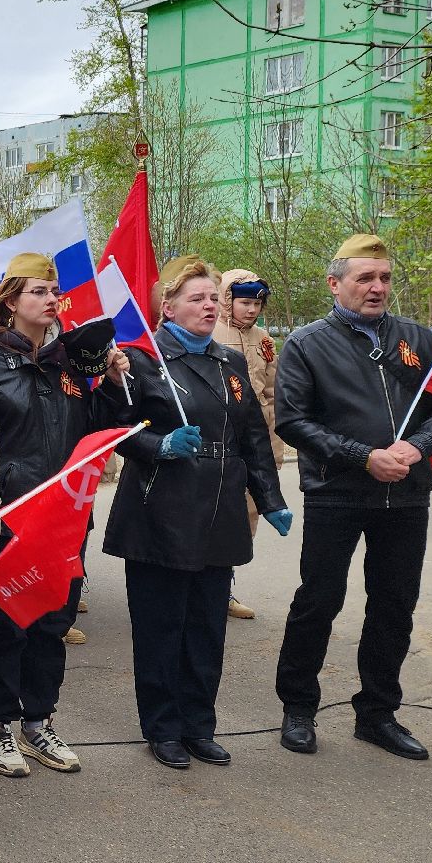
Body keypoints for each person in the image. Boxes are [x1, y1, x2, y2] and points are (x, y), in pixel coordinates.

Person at [272, 234, 432, 761]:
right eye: (365, 278)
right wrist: (364, 456)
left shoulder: (418, 340)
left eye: (383, 278)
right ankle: (298, 707)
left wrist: (415, 447)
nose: (377, 287)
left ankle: (378, 713)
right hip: (337, 493)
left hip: (406, 496)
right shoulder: (306, 344)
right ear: (335, 284)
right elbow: (293, 421)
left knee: (395, 604)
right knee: (320, 600)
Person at [101, 257, 291, 769]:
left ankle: (198, 725)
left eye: (214, 298)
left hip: (219, 507)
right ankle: (162, 728)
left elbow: (252, 434)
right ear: (168, 307)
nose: (209, 306)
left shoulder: (230, 361)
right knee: (162, 626)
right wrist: (159, 444)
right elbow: (114, 427)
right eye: (197, 298)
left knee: (208, 626)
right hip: (159, 509)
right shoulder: (141, 359)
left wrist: (269, 498)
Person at [0, 252, 128, 779]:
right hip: (13, 517)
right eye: (39, 291)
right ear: (10, 300)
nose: (52, 300)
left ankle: (40, 720)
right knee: (9, 625)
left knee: (53, 623)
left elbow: (108, 428)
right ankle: (1, 725)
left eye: (54, 292)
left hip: (66, 519)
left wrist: (115, 378)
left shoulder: (72, 362)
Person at [212, 268, 285, 621]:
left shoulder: (263, 339)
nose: (252, 310)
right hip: (218, 438)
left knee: (248, 514)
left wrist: (274, 449)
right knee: (214, 513)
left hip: (252, 440)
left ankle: (225, 589)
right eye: (244, 302)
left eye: (257, 303)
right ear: (227, 299)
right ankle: (207, 585)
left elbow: (270, 395)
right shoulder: (209, 332)